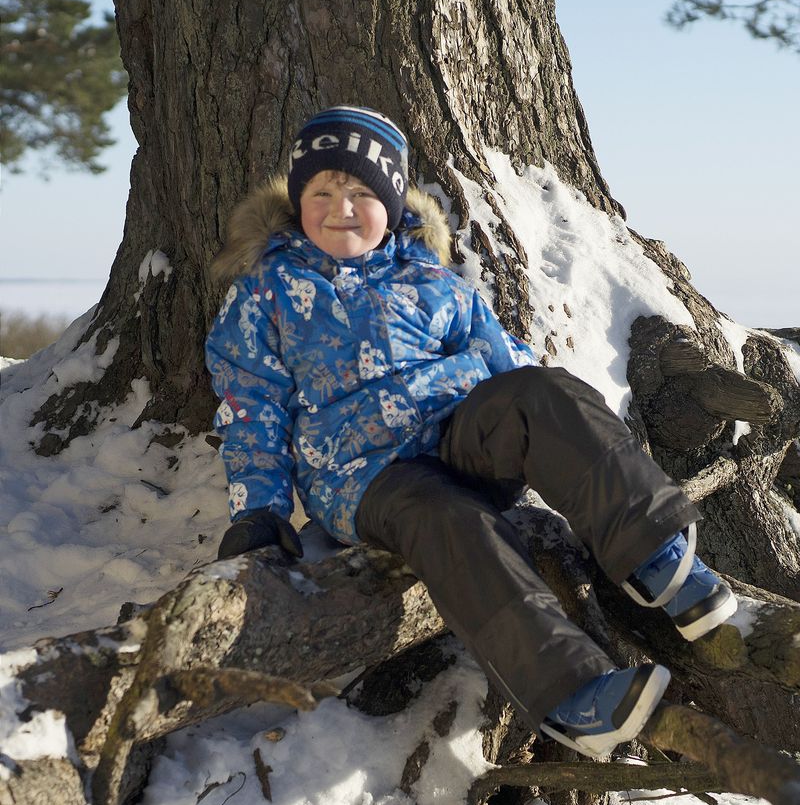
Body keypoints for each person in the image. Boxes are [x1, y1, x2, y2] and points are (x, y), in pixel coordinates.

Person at [205, 105, 737, 760]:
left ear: (394, 204)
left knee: (542, 392)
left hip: (459, 433)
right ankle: (573, 694)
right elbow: (250, 407)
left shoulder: (431, 278)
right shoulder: (267, 291)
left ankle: (658, 555)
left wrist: (556, 423)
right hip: (368, 476)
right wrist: (258, 512)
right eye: (322, 191)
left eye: (363, 193)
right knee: (449, 520)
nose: (341, 207)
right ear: (297, 199)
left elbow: (504, 360)